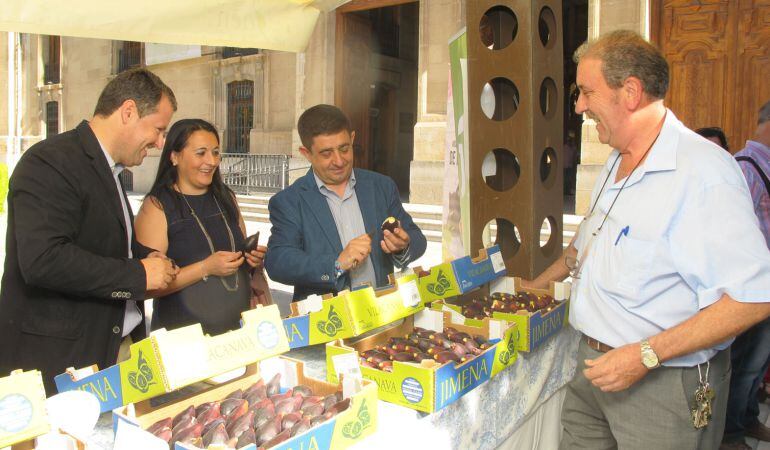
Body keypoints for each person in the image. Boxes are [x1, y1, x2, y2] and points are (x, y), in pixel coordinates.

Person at [522, 31, 770, 449]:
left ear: (630, 92)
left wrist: (645, 355)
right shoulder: (617, 160)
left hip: (661, 387)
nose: (579, 106)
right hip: (591, 370)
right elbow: (586, 241)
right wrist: (536, 288)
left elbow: (753, 297)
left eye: (586, 92)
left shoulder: (703, 172)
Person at [0, 69, 179, 393]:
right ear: (128, 112)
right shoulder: (50, 162)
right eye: (158, 129)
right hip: (61, 367)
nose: (160, 143)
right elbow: (44, 259)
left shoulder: (109, 168)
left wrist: (145, 257)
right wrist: (138, 274)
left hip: (111, 354)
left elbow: (101, 243)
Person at [265, 104, 427, 301]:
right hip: (328, 325)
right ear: (306, 153)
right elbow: (278, 263)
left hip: (384, 317)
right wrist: (336, 264)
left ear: (352, 138)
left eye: (344, 149)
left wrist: (403, 245)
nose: (339, 161)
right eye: (326, 154)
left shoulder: (381, 187)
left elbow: (418, 239)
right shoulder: (289, 201)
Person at [134, 119, 267, 335]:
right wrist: (205, 268)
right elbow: (147, 286)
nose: (211, 161)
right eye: (201, 153)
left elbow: (238, 261)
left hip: (237, 332)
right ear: (174, 156)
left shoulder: (227, 198)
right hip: (183, 338)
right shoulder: (157, 206)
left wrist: (251, 261)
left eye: (215, 152)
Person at [721, 100, 770, 450]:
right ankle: (729, 433)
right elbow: (730, 235)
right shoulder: (744, 168)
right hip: (747, 289)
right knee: (743, 362)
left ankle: (747, 416)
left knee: (759, 360)